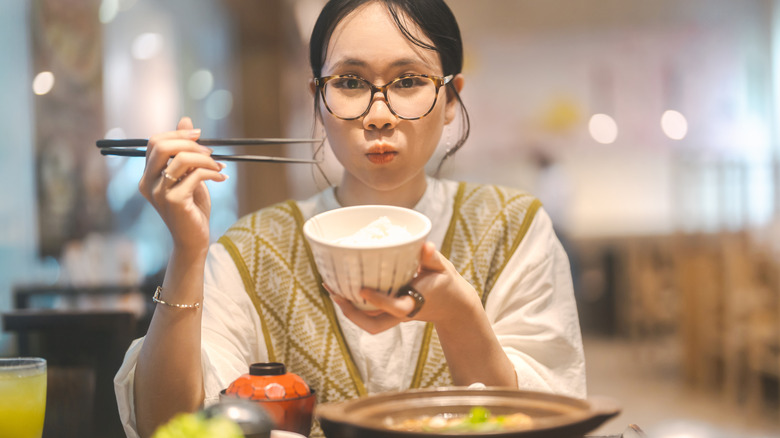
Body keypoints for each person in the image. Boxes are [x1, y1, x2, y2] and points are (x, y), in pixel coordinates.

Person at [114, 1, 586, 437]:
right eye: (350, 82)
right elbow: (171, 425)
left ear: (451, 100)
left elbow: (549, 418)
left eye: (408, 81)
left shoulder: (511, 228)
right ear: (318, 99)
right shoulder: (252, 248)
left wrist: (459, 317)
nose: (378, 115)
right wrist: (188, 251)